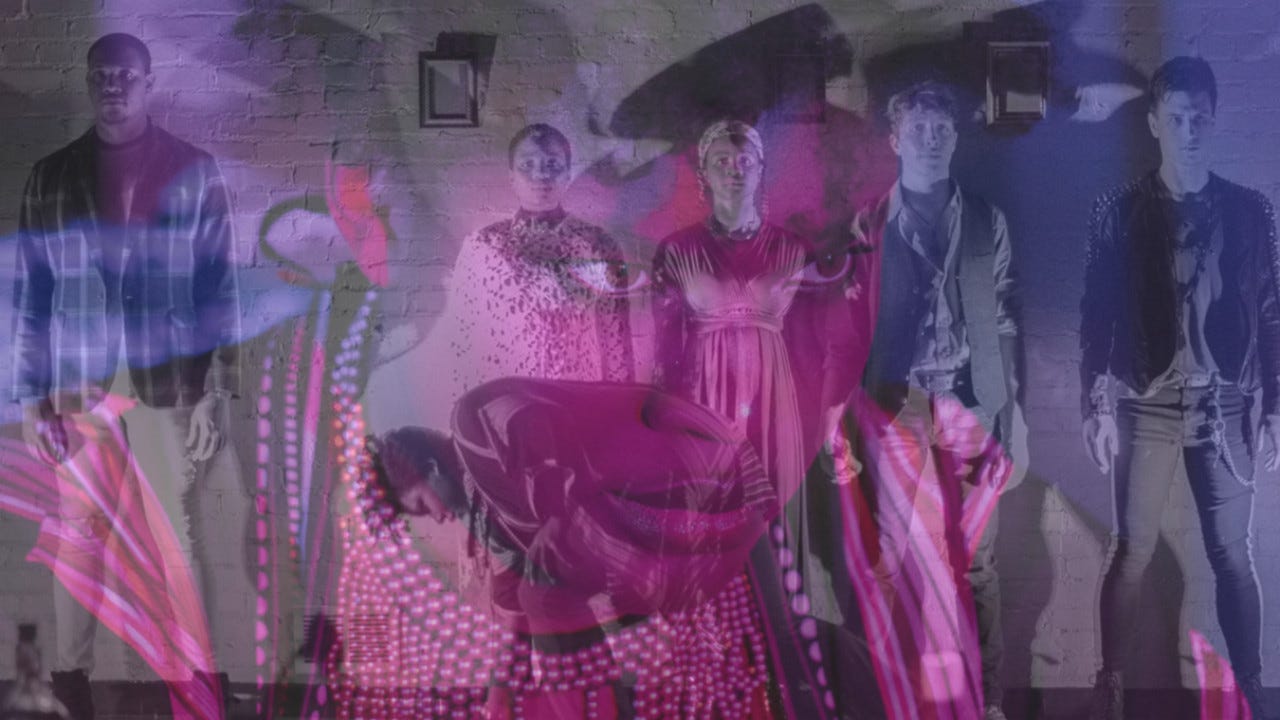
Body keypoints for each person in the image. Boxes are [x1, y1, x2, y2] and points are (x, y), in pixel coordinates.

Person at [11, 32, 241, 719]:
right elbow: (31, 297)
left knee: (178, 538)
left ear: (149, 83)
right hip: (76, 386)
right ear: (88, 82)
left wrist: (218, 390)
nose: (113, 86)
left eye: (126, 76)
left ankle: (195, 683)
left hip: (168, 383)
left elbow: (219, 288)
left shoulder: (193, 169)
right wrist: (31, 399)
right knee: (78, 535)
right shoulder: (52, 175)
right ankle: (69, 683)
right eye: (101, 75)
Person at [1080, 56, 1279, 720]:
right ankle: (1110, 685)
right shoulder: (1119, 212)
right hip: (1147, 402)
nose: (1190, 130)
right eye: (1177, 118)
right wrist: (1093, 404)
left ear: (1214, 122)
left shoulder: (1250, 211)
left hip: (1226, 402)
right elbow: (1095, 317)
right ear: (1155, 123)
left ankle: (1251, 686)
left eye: (1200, 118)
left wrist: (1276, 406)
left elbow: (1271, 314)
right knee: (1131, 549)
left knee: (1233, 555)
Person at [651, 119, 861, 718]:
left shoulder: (793, 249)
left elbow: (823, 340)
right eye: (721, 159)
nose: (734, 169)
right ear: (703, 172)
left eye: (745, 159)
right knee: (710, 546)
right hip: (703, 412)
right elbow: (662, 350)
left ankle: (784, 689)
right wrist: (666, 430)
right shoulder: (678, 249)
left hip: (775, 408)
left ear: (762, 168)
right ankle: (714, 691)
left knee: (777, 544)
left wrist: (830, 418)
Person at [849, 80, 1026, 719]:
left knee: (977, 560)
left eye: (942, 130)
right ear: (895, 140)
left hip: (972, 402)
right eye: (919, 129)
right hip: (897, 405)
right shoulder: (868, 223)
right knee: (892, 559)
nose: (932, 140)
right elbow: (848, 329)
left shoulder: (985, 218)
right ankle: (896, 699)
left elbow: (1004, 318)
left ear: (956, 139)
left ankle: (988, 703)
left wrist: (1012, 412)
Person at [363, 122, 633, 434]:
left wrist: (618, 418)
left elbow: (616, 343)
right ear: (512, 177)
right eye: (528, 165)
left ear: (568, 173)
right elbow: (464, 342)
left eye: (552, 165)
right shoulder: (483, 246)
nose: (540, 176)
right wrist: (468, 420)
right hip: (504, 412)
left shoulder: (598, 245)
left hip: (577, 407)